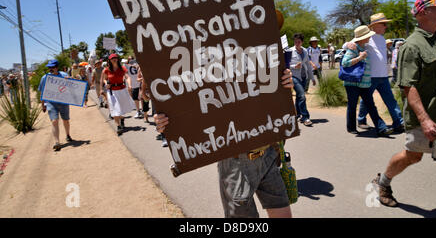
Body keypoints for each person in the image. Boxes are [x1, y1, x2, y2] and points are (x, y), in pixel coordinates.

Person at [154, 69, 295, 218]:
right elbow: (189, 101)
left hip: (268, 154)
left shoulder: (258, 60)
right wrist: (168, 123)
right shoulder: (207, 67)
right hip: (236, 163)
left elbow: (285, 108)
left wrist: (286, 87)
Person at [371, 0, 436, 207]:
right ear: (424, 13)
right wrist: (424, 120)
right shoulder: (412, 46)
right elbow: (408, 86)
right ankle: (384, 182)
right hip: (426, 116)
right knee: (413, 156)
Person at [348, 13, 403, 133]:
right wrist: (348, 44)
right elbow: (349, 44)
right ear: (375, 25)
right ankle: (361, 120)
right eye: (384, 24)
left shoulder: (382, 39)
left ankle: (399, 122)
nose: (386, 27)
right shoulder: (367, 37)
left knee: (390, 99)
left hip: (383, 76)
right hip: (370, 76)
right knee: (367, 100)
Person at [341, 25, 393, 136]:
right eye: (367, 36)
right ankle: (351, 128)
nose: (369, 38)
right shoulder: (354, 48)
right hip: (352, 83)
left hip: (364, 83)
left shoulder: (364, 47)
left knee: (370, 105)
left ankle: (381, 127)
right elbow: (345, 63)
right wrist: (360, 58)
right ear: (362, 38)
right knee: (352, 105)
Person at [38, 59, 73, 151]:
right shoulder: (44, 78)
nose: (51, 69)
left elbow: (73, 87)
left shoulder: (64, 75)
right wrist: (43, 105)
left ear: (57, 67)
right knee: (54, 121)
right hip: (51, 103)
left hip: (63, 102)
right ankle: (57, 142)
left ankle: (68, 135)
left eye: (52, 67)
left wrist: (69, 81)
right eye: (49, 67)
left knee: (66, 120)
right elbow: (42, 92)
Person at [101, 54, 134, 135]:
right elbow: (104, 79)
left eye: (115, 58)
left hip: (122, 90)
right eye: (112, 58)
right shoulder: (106, 70)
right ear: (109, 60)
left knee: (121, 108)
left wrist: (129, 85)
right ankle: (118, 126)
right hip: (112, 91)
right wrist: (106, 84)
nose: (114, 59)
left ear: (118, 59)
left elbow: (127, 77)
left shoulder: (122, 68)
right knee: (115, 108)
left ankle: (122, 119)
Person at [289, 33, 315, 126]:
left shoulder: (305, 51)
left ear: (302, 42)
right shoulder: (290, 51)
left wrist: (312, 78)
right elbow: (286, 65)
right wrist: (294, 66)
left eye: (299, 41)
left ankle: (297, 114)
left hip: (304, 77)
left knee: (299, 96)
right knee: (302, 95)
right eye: (295, 41)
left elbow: (308, 64)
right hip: (294, 76)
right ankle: (305, 117)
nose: (297, 43)